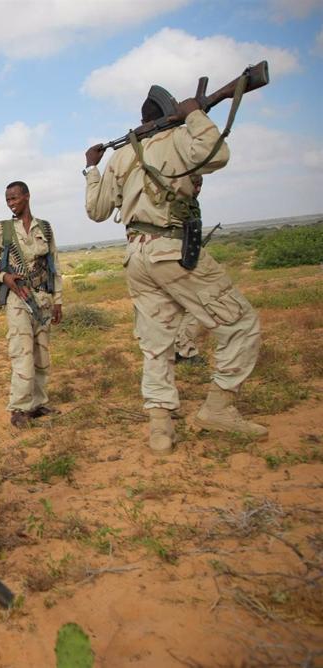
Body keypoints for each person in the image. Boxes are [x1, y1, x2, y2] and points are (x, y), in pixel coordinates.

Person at [84, 87, 266, 453]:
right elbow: (218, 154)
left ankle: (160, 429)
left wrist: (91, 168)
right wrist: (195, 114)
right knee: (241, 324)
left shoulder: (121, 156)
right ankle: (218, 408)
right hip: (171, 250)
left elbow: (97, 211)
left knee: (156, 344)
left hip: (136, 256)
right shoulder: (179, 137)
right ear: (172, 113)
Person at [0, 181, 62, 428]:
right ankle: (19, 409)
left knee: (41, 355)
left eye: (14, 198)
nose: (11, 203)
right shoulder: (2, 230)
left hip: (43, 298)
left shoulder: (44, 228)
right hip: (18, 298)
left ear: (27, 196)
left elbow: (54, 265)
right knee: (22, 352)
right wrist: (4, 277)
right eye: (8, 200)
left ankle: (38, 403)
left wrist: (58, 300)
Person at [175, 175, 207, 366]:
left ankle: (178, 350)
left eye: (200, 185)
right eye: (194, 184)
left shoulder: (191, 203)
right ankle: (185, 351)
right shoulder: (178, 202)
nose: (197, 189)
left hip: (184, 259)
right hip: (175, 262)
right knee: (195, 306)